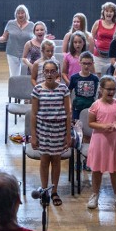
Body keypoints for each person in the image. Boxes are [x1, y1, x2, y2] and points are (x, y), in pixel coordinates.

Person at [30, 60, 71, 207]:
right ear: (42, 73)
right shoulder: (38, 90)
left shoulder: (63, 89)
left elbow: (68, 113)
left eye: (52, 71)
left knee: (56, 161)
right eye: (46, 71)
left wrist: (68, 134)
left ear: (57, 73)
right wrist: (33, 135)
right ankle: (44, 190)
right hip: (43, 130)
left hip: (59, 130)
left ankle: (54, 191)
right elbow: (34, 114)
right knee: (44, 160)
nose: (49, 74)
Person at [86, 76, 116, 210]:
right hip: (99, 140)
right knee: (97, 170)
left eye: (113, 90)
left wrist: (115, 125)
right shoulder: (96, 105)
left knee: (115, 170)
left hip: (114, 140)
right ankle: (95, 194)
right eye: (108, 89)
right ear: (101, 89)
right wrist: (103, 126)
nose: (111, 92)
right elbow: (91, 123)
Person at [0, 4, 34, 77]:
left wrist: (44, 37)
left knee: (25, 76)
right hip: (12, 53)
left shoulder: (31, 25)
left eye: (22, 13)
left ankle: (24, 88)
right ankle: (15, 88)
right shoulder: (10, 23)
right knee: (14, 76)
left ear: (26, 14)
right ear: (16, 14)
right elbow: (4, 37)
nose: (20, 15)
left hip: (26, 55)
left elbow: (35, 38)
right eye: (18, 13)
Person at [68, 51, 99, 123]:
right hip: (77, 106)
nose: (86, 66)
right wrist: (69, 105)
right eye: (84, 63)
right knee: (77, 126)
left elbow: (99, 94)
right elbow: (68, 92)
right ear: (80, 63)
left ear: (92, 64)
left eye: (89, 64)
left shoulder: (95, 78)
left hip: (91, 106)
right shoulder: (74, 77)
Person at [90, 2, 116, 74]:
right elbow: (91, 37)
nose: (108, 13)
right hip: (98, 56)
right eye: (107, 11)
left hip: (111, 57)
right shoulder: (97, 23)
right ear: (103, 12)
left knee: (110, 77)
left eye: (111, 11)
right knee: (98, 77)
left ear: (114, 13)